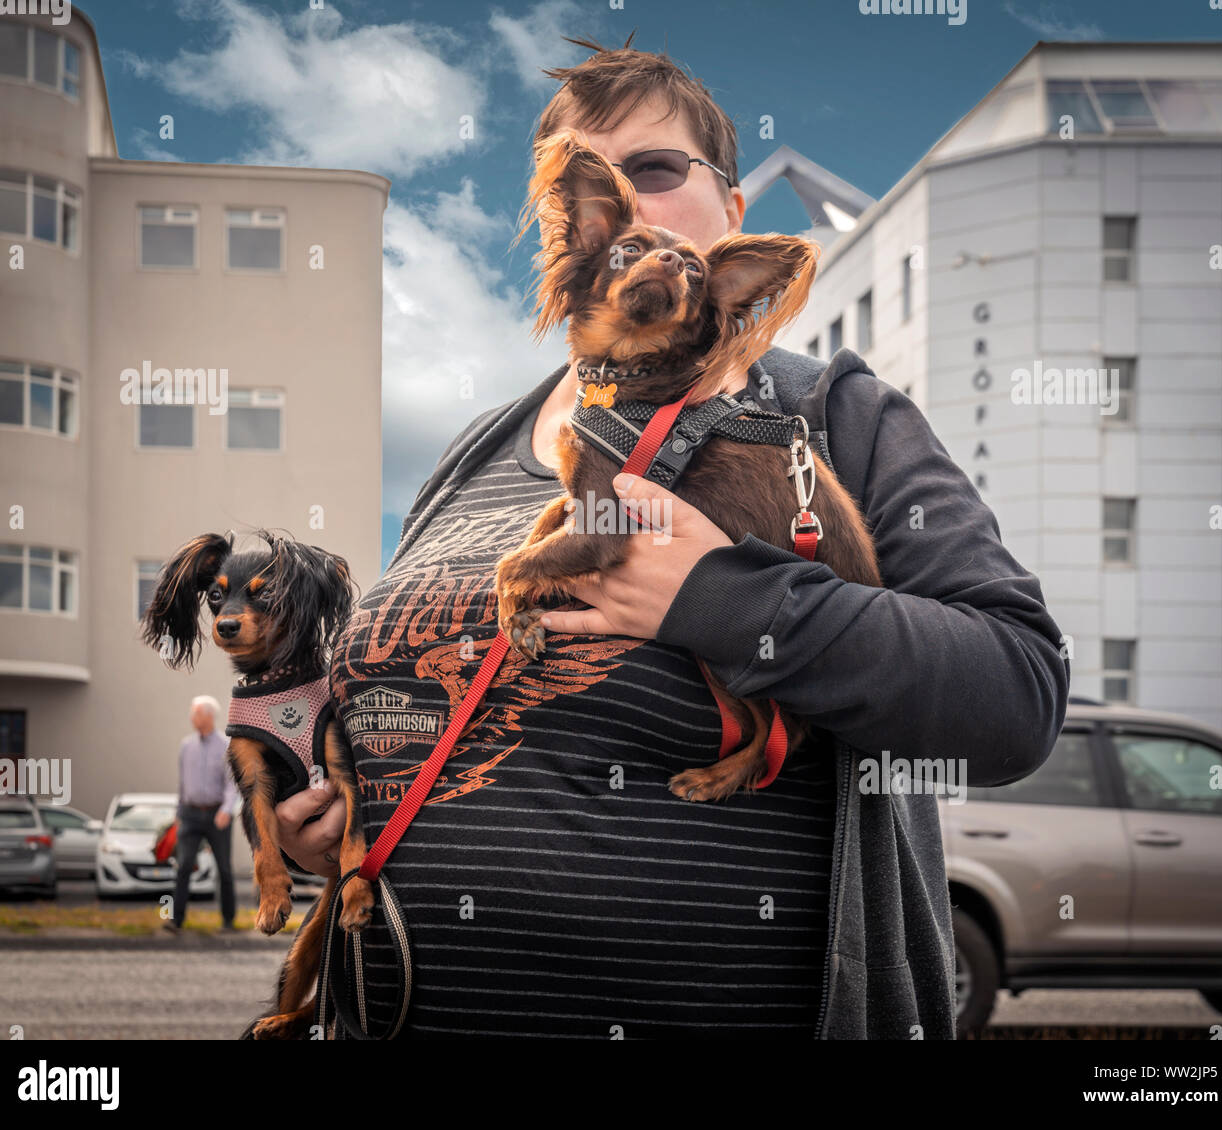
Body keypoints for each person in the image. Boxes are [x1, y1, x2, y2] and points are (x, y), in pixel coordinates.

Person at [276, 34, 1069, 1038]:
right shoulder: (471, 455)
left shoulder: (832, 416)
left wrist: (721, 596)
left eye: (655, 167)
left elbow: (1017, 692)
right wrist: (348, 813)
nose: (626, 206)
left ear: (732, 213)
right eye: (588, 183)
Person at [163, 695, 240, 933]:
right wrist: (179, 813)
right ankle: (176, 920)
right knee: (184, 865)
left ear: (208, 716)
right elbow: (182, 784)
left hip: (217, 815)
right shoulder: (186, 746)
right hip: (190, 815)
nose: (191, 717)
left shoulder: (226, 746)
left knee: (224, 869)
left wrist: (227, 810)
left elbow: (232, 784)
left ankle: (228, 920)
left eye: (195, 713)